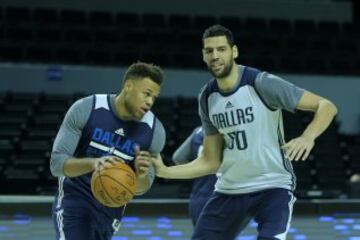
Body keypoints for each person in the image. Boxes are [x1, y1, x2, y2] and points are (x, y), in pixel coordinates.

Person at [152, 25, 338, 240]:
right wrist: (164, 171)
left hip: (272, 186)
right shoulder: (207, 97)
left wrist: (307, 136)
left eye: (221, 49)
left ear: (235, 51)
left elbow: (326, 106)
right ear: (203, 55)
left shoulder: (261, 83)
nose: (215, 56)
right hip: (229, 190)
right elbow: (210, 162)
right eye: (209, 51)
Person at [50, 62, 166, 240]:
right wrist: (94, 163)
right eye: (146, 94)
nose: (150, 102)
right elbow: (57, 165)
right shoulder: (87, 108)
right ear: (128, 86)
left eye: (154, 97)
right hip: (75, 199)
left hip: (112, 205)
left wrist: (141, 175)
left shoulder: (154, 131)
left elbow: (142, 188)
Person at [172, 126, 217, 226]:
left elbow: (178, 158)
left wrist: (197, 169)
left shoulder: (198, 130)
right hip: (225, 198)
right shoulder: (231, 129)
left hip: (199, 198)